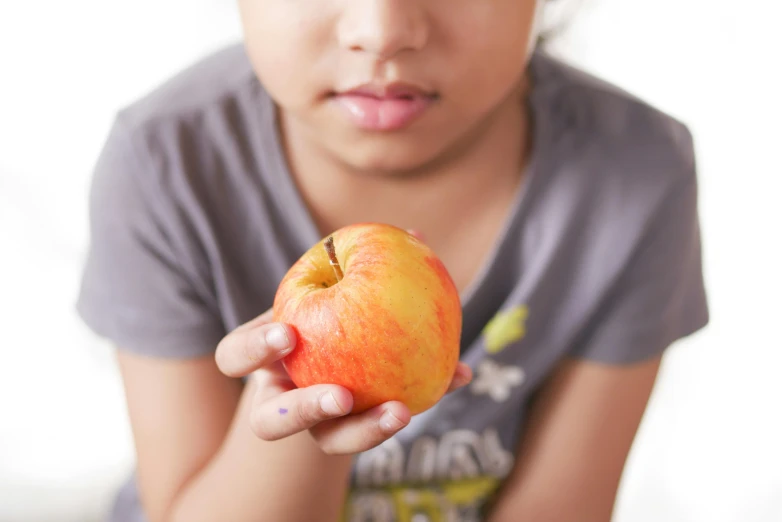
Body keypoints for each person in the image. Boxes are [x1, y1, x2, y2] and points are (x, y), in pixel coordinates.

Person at [75, 0, 709, 520]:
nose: (382, 32)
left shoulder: (635, 176)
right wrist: (297, 407)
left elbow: (559, 506)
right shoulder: (164, 166)